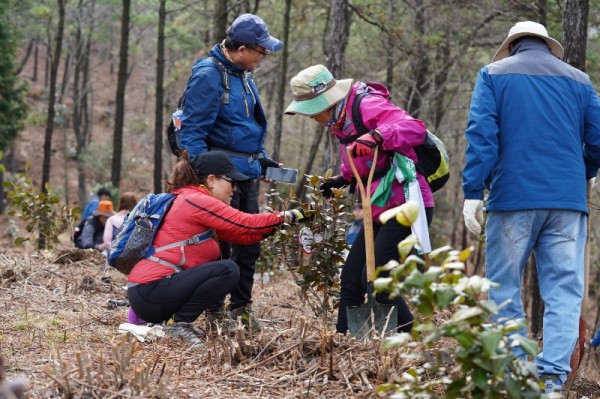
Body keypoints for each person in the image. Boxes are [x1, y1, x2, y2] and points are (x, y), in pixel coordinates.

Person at [461, 21, 600, 394]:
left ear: (512, 45)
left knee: (504, 286)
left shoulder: (493, 74)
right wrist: (580, 174)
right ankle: (553, 381)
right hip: (568, 203)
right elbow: (597, 140)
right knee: (565, 291)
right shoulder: (581, 81)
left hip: (513, 198)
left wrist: (473, 190)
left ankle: (516, 375)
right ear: (545, 44)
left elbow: (482, 133)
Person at [285, 64, 434, 335]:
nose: (309, 117)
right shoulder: (340, 120)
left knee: (379, 280)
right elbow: (359, 158)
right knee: (352, 278)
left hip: (406, 204)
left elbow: (414, 128)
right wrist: (342, 179)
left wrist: (378, 136)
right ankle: (343, 342)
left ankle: (410, 340)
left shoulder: (366, 105)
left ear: (325, 102)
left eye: (310, 110)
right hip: (377, 206)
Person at [126, 151, 307, 344]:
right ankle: (180, 326)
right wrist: (289, 215)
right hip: (151, 291)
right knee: (227, 270)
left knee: (226, 268)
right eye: (231, 182)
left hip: (150, 293)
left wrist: (278, 226)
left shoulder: (191, 199)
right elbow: (244, 222)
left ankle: (179, 323)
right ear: (211, 180)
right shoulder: (197, 200)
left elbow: (242, 235)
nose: (235, 189)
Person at [176, 13, 284, 327]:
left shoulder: (241, 74)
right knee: (221, 245)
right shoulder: (210, 75)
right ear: (240, 49)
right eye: (260, 51)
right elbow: (192, 132)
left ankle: (241, 308)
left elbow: (246, 126)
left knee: (250, 240)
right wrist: (206, 176)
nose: (263, 57)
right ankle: (214, 310)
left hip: (247, 171)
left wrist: (261, 159)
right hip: (221, 177)